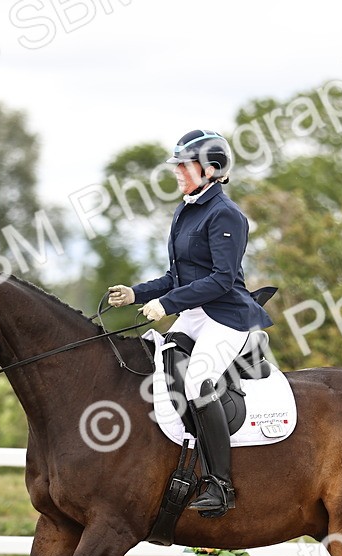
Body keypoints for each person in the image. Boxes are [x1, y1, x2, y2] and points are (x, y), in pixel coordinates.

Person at [108, 129, 272, 518]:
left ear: (210, 169)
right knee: (160, 361)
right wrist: (136, 294)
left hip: (227, 316)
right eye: (178, 166)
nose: (178, 172)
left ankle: (220, 485)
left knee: (198, 381)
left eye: (185, 165)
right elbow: (175, 276)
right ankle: (179, 454)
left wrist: (166, 304)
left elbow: (221, 279)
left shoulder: (226, 215)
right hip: (197, 313)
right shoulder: (186, 209)